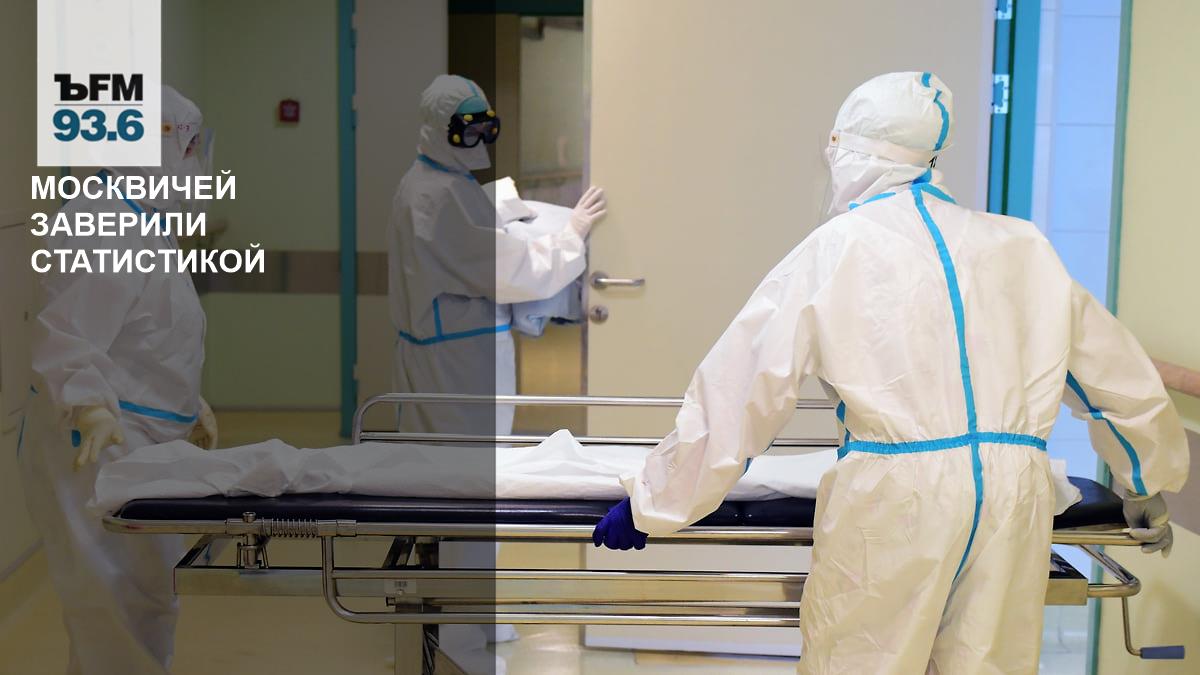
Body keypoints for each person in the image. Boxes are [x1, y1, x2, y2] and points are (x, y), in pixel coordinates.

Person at [592, 71, 1188, 674]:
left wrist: (657, 500)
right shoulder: (1022, 246)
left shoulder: (837, 248)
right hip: (1014, 497)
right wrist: (1145, 483)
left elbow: (742, 391)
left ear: (845, 151)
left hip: (895, 502)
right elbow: (1117, 380)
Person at [20, 86, 217, 675]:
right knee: (116, 612)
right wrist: (91, 408)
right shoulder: (102, 220)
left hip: (138, 439)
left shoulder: (139, 218)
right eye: (189, 146)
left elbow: (145, 332)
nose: (195, 162)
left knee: (141, 605)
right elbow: (66, 334)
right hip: (100, 445)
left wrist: (190, 401)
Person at [388, 74, 605, 437]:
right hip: (458, 366)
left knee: (439, 455)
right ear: (442, 129)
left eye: (487, 130)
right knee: (462, 459)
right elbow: (513, 271)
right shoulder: (438, 198)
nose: (479, 141)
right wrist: (572, 235)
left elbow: (464, 242)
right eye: (469, 132)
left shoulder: (430, 180)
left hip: (447, 355)